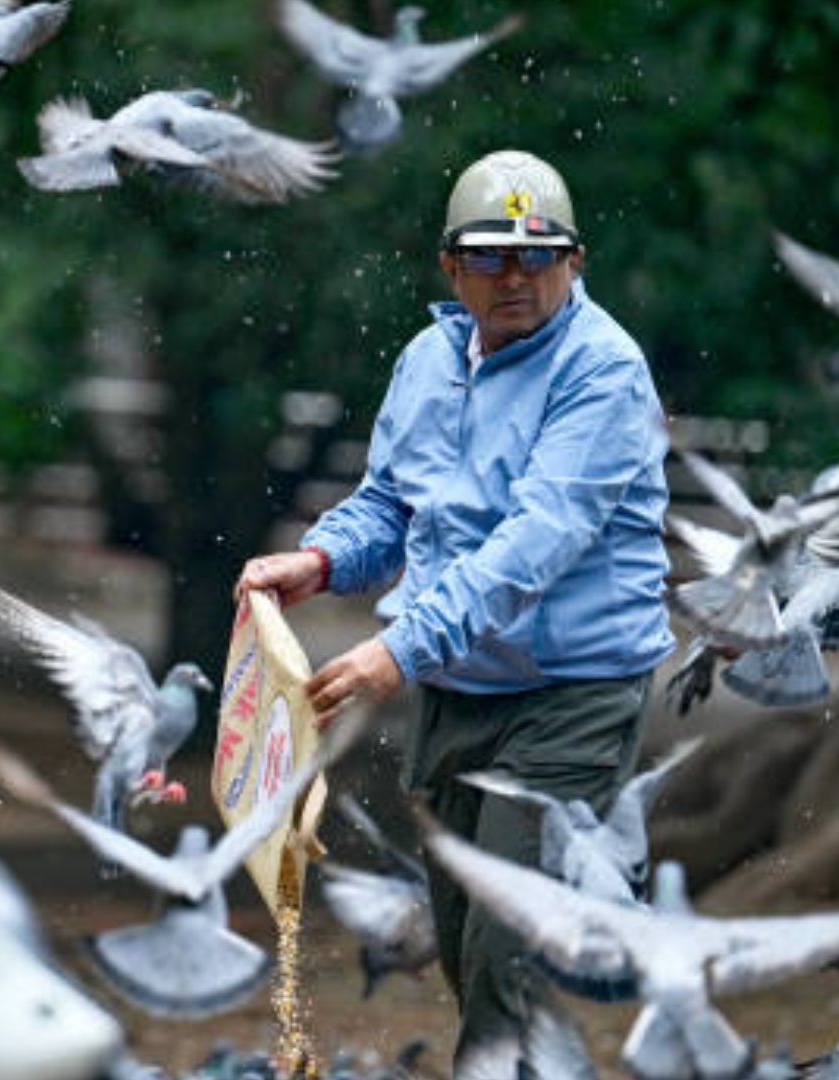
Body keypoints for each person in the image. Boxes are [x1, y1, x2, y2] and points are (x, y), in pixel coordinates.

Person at [234, 149, 674, 1065]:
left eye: (535, 254)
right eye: (488, 257)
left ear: (575, 261)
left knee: (504, 956)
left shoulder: (604, 372)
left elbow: (535, 542)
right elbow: (393, 505)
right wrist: (318, 560)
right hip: (456, 689)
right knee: (463, 943)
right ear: (451, 268)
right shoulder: (428, 360)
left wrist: (399, 651)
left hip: (573, 697)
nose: (512, 277)